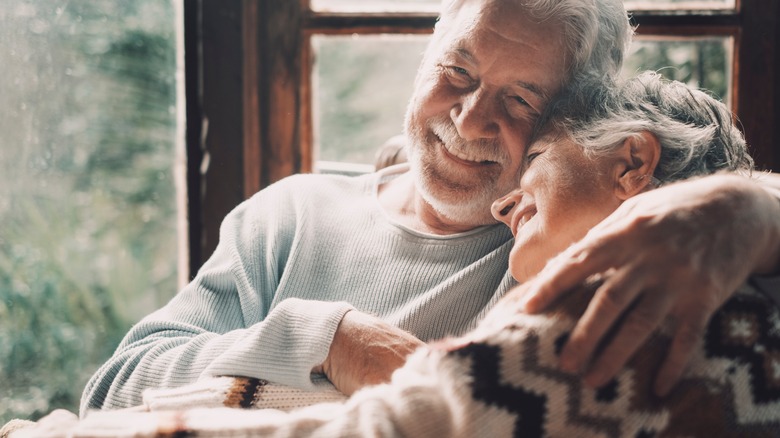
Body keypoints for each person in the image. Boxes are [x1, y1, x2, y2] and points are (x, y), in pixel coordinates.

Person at [81, 0, 780, 415]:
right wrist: (326, 339)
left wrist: (744, 207)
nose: (470, 118)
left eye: (520, 101)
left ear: (566, 122)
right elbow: (110, 393)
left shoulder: (556, 245)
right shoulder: (289, 215)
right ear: (426, 56)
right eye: (457, 72)